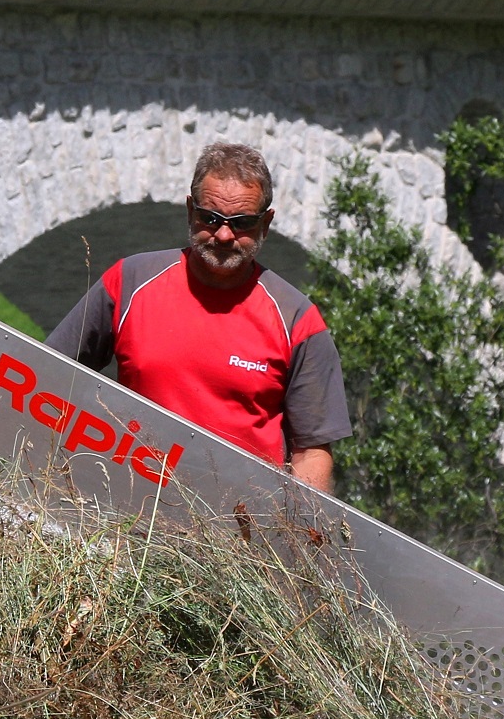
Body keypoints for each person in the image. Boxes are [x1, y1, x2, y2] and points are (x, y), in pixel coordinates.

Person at [45, 142, 350, 491]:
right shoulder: (128, 282)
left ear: (266, 223)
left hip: (242, 531)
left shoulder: (298, 320)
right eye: (211, 218)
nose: (223, 234)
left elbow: (312, 452)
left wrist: (297, 538)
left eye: (242, 223)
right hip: (127, 511)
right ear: (190, 211)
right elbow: (46, 375)